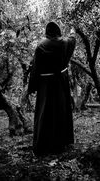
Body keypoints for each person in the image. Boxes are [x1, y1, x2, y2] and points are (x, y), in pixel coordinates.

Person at [28, 22, 76, 156]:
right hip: (60, 83)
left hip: (45, 85)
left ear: (47, 32)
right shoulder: (64, 43)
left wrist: (32, 86)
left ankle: (44, 145)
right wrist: (73, 29)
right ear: (58, 31)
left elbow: (35, 68)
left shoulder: (41, 46)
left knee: (45, 113)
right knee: (60, 111)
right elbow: (72, 39)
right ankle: (61, 144)